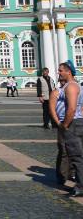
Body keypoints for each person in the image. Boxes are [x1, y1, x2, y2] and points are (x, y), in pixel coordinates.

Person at [49, 61, 83, 196]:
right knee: (77, 155)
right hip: (76, 122)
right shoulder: (74, 86)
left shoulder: (71, 86)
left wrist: (65, 125)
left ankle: (80, 186)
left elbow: (72, 108)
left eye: (61, 70)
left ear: (68, 72)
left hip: (73, 124)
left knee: (76, 156)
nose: (59, 73)